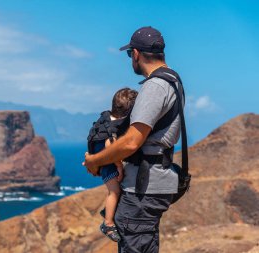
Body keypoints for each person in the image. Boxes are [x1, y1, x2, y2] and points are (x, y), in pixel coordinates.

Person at [83, 26, 186, 253]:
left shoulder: (155, 86)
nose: (131, 59)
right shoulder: (173, 81)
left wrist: (96, 161)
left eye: (130, 55)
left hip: (143, 187)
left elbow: (131, 141)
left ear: (137, 54)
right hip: (156, 181)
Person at [88, 87, 138, 242]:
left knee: (117, 192)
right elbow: (111, 147)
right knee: (114, 192)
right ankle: (108, 223)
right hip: (108, 164)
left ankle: (108, 211)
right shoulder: (115, 127)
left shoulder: (106, 120)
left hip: (102, 161)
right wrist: (119, 167)